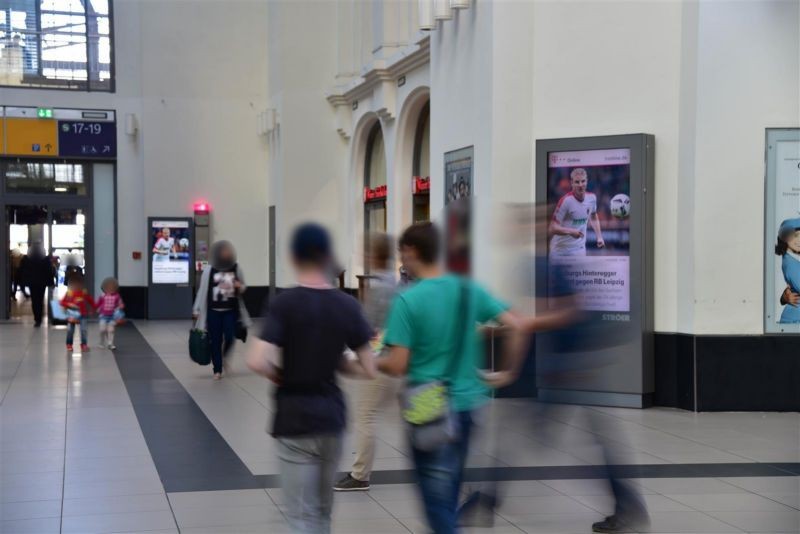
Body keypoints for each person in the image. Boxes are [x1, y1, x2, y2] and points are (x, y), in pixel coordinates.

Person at [377, 222, 526, 534]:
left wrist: (374, 361)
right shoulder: (468, 289)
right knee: (450, 488)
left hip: (428, 406)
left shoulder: (408, 301)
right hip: (471, 404)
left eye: (403, 253)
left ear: (413, 251)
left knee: (437, 503)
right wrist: (508, 372)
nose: (402, 262)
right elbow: (516, 324)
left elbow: (398, 365)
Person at [246, 223, 376, 534]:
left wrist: (279, 375)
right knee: (321, 513)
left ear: (293, 257)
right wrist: (339, 362)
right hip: (331, 418)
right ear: (327, 257)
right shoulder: (347, 305)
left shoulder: (284, 304)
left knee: (298, 517)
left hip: (293, 418)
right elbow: (369, 368)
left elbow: (255, 360)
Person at [334, 233, 402, 492]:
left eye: (367, 251)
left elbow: (367, 328)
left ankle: (360, 474)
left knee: (365, 415)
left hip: (380, 361)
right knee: (403, 414)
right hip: (395, 358)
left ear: (375, 255)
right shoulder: (395, 284)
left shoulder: (380, 290)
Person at [193, 241, 252, 380]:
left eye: (227, 251)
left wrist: (240, 285)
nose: (225, 254)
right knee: (215, 340)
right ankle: (217, 369)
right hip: (213, 311)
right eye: (223, 251)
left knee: (230, 336)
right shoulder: (209, 270)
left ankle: (224, 357)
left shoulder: (236, 268)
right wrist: (196, 308)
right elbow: (202, 291)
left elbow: (243, 287)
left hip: (230, 311)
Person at [549, 167, 605, 256]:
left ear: (587, 181)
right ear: (571, 183)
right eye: (577, 182)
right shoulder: (566, 201)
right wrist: (571, 232)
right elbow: (552, 228)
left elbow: (593, 216)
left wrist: (599, 237)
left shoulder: (592, 198)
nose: (580, 185)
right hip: (560, 250)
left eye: (583, 181)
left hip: (579, 249)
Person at [19, 243, 55, 327]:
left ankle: (37, 318)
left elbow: (22, 271)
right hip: (42, 283)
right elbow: (49, 272)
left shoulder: (27, 259)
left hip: (32, 282)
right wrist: (51, 282)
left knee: (34, 300)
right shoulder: (45, 259)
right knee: (40, 299)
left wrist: (23, 282)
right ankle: (39, 317)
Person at [60, 273, 95, 353]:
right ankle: (69, 344)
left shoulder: (84, 293)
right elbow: (62, 302)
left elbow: (91, 301)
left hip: (83, 315)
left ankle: (84, 344)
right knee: (70, 330)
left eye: (78, 284)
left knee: (83, 330)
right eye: (73, 284)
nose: (76, 286)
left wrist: (93, 309)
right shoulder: (69, 293)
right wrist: (69, 304)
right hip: (72, 316)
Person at [775, 218, 800, 323]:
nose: (799, 240)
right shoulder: (790, 263)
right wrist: (784, 298)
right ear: (784, 238)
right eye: (795, 235)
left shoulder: (793, 258)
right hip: (795, 320)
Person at [96, 277, 125, 349]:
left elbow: (121, 304)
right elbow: (98, 303)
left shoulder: (117, 296)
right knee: (102, 330)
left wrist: (121, 306)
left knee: (111, 330)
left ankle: (110, 343)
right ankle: (101, 342)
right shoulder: (102, 296)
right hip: (103, 315)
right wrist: (95, 309)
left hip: (112, 316)